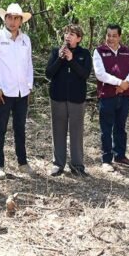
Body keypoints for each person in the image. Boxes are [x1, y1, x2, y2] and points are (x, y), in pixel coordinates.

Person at [0, 3, 35, 179]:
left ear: (21, 21)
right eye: (10, 17)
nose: (13, 22)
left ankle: (22, 162)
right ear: (5, 19)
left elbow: (29, 64)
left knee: (20, 127)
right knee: (0, 128)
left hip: (22, 92)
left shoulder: (25, 40)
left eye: (16, 18)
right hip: (4, 92)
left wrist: (29, 87)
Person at [45, 24, 93, 177]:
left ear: (78, 38)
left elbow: (85, 74)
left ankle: (77, 165)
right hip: (58, 98)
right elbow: (48, 73)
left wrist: (72, 60)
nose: (68, 36)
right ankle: (58, 164)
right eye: (66, 33)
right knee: (58, 131)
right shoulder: (55, 52)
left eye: (72, 34)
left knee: (76, 132)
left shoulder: (84, 54)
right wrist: (60, 59)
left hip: (76, 99)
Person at [93, 24, 129, 172]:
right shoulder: (99, 51)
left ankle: (120, 156)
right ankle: (106, 160)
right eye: (108, 35)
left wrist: (126, 84)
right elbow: (100, 74)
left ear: (119, 36)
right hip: (107, 96)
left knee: (121, 127)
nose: (111, 38)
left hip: (124, 96)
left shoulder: (127, 51)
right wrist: (120, 83)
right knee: (106, 128)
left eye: (114, 35)